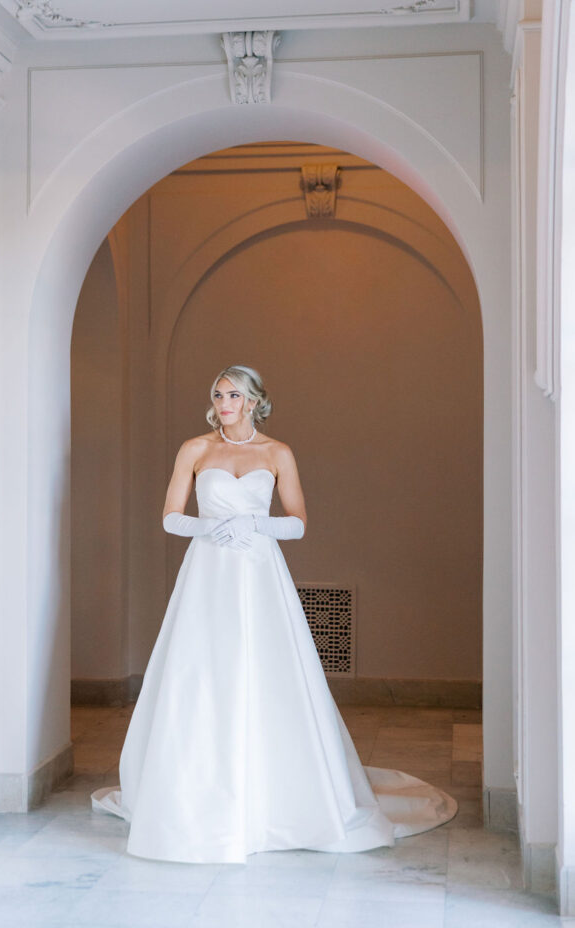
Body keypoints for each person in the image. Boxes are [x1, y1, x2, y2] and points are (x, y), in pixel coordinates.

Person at [91, 364, 457, 862]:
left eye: (234, 395)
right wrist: (208, 528)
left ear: (254, 401)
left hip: (260, 571)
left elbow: (299, 523)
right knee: (202, 668)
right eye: (218, 394)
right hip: (209, 570)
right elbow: (169, 517)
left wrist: (256, 526)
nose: (224, 403)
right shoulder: (195, 449)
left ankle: (277, 793)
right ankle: (193, 790)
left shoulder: (277, 452)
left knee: (268, 669)